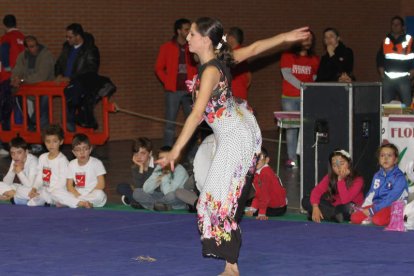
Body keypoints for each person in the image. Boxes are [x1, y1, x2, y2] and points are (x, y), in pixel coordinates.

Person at [156, 17, 309, 276]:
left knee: (217, 202)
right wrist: (284, 37)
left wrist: (175, 150)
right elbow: (256, 48)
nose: (188, 37)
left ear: (205, 40)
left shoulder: (211, 71)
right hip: (233, 132)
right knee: (210, 201)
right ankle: (231, 260)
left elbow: (195, 115)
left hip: (235, 137)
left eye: (192, 33)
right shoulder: (219, 61)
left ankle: (231, 265)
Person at [155, 18, 198, 148]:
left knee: (193, 123)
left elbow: (198, 66)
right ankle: (167, 150)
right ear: (179, 31)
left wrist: (196, 83)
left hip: (189, 91)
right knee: (169, 123)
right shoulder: (166, 47)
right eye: (186, 30)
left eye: (190, 30)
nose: (189, 32)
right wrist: (167, 82)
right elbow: (158, 68)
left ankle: (193, 153)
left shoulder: (193, 46)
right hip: (173, 91)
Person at [280, 31, 319, 167]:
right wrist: (303, 86)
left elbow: (314, 77)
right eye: (305, 39)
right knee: (291, 129)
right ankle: (292, 159)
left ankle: (305, 159)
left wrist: (308, 89)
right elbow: (287, 75)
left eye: (310, 40)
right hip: (289, 98)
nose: (307, 42)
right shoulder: (287, 56)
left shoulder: (314, 59)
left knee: (307, 128)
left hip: (306, 98)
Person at [55, 23, 100, 131]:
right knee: (68, 115)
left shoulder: (91, 49)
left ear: (78, 36)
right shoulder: (66, 47)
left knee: (74, 113)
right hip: (67, 85)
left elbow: (91, 69)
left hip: (80, 85)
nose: (67, 39)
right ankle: (74, 135)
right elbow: (59, 63)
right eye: (66, 37)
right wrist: (59, 74)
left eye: (70, 37)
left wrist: (71, 78)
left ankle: (80, 135)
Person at [351, 143, 408, 226]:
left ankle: (399, 219)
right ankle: (373, 216)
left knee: (378, 220)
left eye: (389, 155)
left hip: (393, 206)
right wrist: (363, 208)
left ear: (396, 160)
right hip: (376, 206)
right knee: (354, 218)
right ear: (379, 159)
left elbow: (391, 199)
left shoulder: (400, 177)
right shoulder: (377, 175)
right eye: (382, 155)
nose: (385, 158)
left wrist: (373, 210)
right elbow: (371, 193)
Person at [301, 149, 364, 223]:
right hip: (332, 206)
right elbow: (316, 191)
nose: (339, 167)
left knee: (347, 208)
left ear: (349, 163)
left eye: (342, 163)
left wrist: (340, 180)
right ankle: (333, 215)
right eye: (334, 165)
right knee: (306, 200)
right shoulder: (330, 177)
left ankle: (323, 214)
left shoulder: (358, 180)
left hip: (349, 206)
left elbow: (345, 200)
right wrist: (315, 207)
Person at [11, 35, 55, 131]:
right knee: (17, 95)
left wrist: (23, 80)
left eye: (35, 45)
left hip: (45, 89)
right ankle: (30, 123)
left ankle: (40, 130)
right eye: (31, 47)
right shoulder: (22, 56)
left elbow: (41, 76)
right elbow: (17, 70)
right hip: (29, 89)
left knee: (43, 110)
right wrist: (15, 79)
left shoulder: (46, 55)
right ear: (26, 48)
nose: (34, 48)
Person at [54, 133, 107, 208]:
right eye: (78, 150)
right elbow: (69, 186)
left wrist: (87, 194)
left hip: (92, 193)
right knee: (57, 192)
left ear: (90, 149)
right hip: (77, 193)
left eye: (85, 149)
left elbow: (101, 184)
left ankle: (76, 202)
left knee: (100, 195)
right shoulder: (71, 164)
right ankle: (84, 203)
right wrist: (77, 194)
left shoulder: (97, 163)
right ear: (74, 152)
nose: (82, 152)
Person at [133, 146, 188, 211]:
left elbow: (168, 193)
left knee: (172, 196)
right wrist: (157, 179)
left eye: (164, 158)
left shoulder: (180, 170)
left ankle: (152, 206)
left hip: (176, 197)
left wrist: (164, 176)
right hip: (163, 197)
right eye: (160, 158)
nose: (161, 161)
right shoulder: (160, 167)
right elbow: (146, 189)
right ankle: (161, 206)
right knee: (137, 192)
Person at [27, 124, 69, 206]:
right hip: (44, 190)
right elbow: (39, 177)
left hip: (57, 191)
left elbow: (62, 182)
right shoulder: (42, 157)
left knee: (56, 194)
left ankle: (55, 201)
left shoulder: (62, 160)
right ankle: (49, 201)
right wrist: (34, 188)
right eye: (48, 141)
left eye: (55, 141)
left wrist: (49, 191)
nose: (51, 144)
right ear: (44, 142)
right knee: (31, 202)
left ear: (61, 142)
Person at [0, 14, 25, 155]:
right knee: (20, 110)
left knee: (5, 110)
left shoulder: (5, 38)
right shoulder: (22, 37)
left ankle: (5, 144)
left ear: (4, 26)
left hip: (6, 79)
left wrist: (8, 69)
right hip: (20, 79)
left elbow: (3, 54)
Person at [376, 16, 414, 107]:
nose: (395, 26)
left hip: (404, 78)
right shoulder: (386, 40)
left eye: (397, 24)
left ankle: (408, 121)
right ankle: (386, 121)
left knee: (407, 105)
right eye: (393, 24)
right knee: (386, 106)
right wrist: (381, 70)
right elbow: (380, 57)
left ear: (403, 27)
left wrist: (413, 71)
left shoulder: (409, 40)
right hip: (388, 79)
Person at [244, 147, 287, 220]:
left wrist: (261, 213)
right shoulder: (257, 172)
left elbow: (264, 196)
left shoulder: (265, 173)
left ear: (266, 160)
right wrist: (252, 208)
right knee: (245, 204)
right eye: (254, 157)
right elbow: (259, 194)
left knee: (243, 209)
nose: (257, 160)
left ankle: (253, 209)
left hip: (276, 208)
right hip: (271, 202)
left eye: (260, 157)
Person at [116, 137, 155, 207]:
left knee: (140, 194)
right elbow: (138, 187)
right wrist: (141, 168)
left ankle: (134, 201)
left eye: (143, 153)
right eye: (136, 153)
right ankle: (140, 203)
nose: (139, 157)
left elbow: (148, 188)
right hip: (140, 192)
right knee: (121, 187)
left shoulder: (157, 165)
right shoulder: (136, 166)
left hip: (154, 193)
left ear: (150, 153)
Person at [0, 136, 38, 204]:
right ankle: (14, 197)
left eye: (19, 152)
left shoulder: (33, 162)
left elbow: (31, 186)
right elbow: (7, 183)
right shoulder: (15, 160)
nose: (15, 156)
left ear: (26, 152)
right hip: (21, 189)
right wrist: (12, 171)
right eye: (12, 153)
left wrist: (19, 172)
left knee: (25, 191)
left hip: (34, 190)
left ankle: (11, 196)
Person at [227, 27, 251, 101]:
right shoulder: (242, 51)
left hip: (235, 93)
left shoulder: (234, 54)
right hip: (241, 92)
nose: (226, 39)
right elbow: (249, 76)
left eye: (227, 36)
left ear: (232, 38)